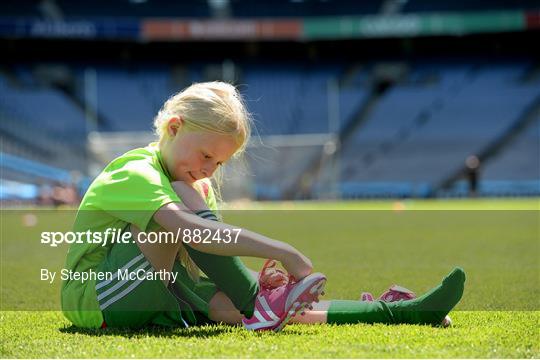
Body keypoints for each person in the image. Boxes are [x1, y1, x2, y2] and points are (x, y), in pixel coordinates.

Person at [61, 81, 465, 332]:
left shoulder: (192, 183)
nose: (207, 170)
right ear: (173, 128)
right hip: (97, 297)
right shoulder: (134, 170)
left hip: (161, 285)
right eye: (205, 155)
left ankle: (396, 313)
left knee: (253, 311)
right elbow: (192, 233)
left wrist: (258, 282)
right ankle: (260, 301)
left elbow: (208, 255)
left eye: (217, 164)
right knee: (189, 206)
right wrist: (281, 251)